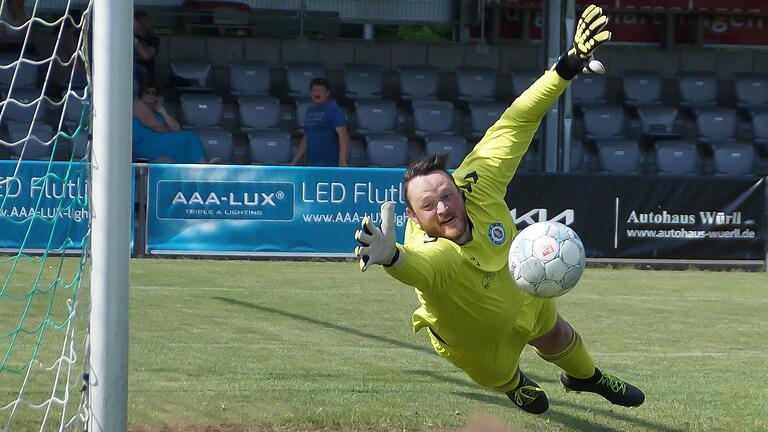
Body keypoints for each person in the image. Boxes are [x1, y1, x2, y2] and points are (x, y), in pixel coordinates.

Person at [354, 5, 644, 415]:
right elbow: (417, 268)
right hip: (472, 337)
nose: (442, 206)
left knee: (556, 333)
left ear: (458, 186)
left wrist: (565, 67)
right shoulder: (434, 253)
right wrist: (392, 258)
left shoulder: (478, 183)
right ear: (415, 219)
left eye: (447, 194)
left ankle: (587, 377)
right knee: (504, 377)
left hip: (519, 291)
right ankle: (514, 385)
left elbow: (517, 121)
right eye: (427, 205)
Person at [132, 81, 209, 164]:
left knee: (189, 136)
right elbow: (156, 126)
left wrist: (162, 110)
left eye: (154, 93)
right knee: (189, 136)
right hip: (144, 143)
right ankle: (202, 163)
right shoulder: (138, 105)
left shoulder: (157, 112)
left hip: (158, 141)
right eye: (147, 92)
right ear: (141, 95)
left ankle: (199, 164)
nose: (151, 95)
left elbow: (176, 128)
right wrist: (173, 134)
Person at [289, 77, 349, 167]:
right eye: (314, 90)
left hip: (330, 163)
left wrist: (342, 161)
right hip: (312, 163)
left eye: (320, 90)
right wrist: (295, 160)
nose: (317, 93)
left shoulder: (333, 109)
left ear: (327, 93)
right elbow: (307, 137)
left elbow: (343, 135)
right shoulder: (310, 110)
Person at [133, 10, 159, 83]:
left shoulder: (153, 39)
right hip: (129, 69)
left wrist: (134, 40)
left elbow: (146, 56)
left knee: (135, 68)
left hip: (144, 70)